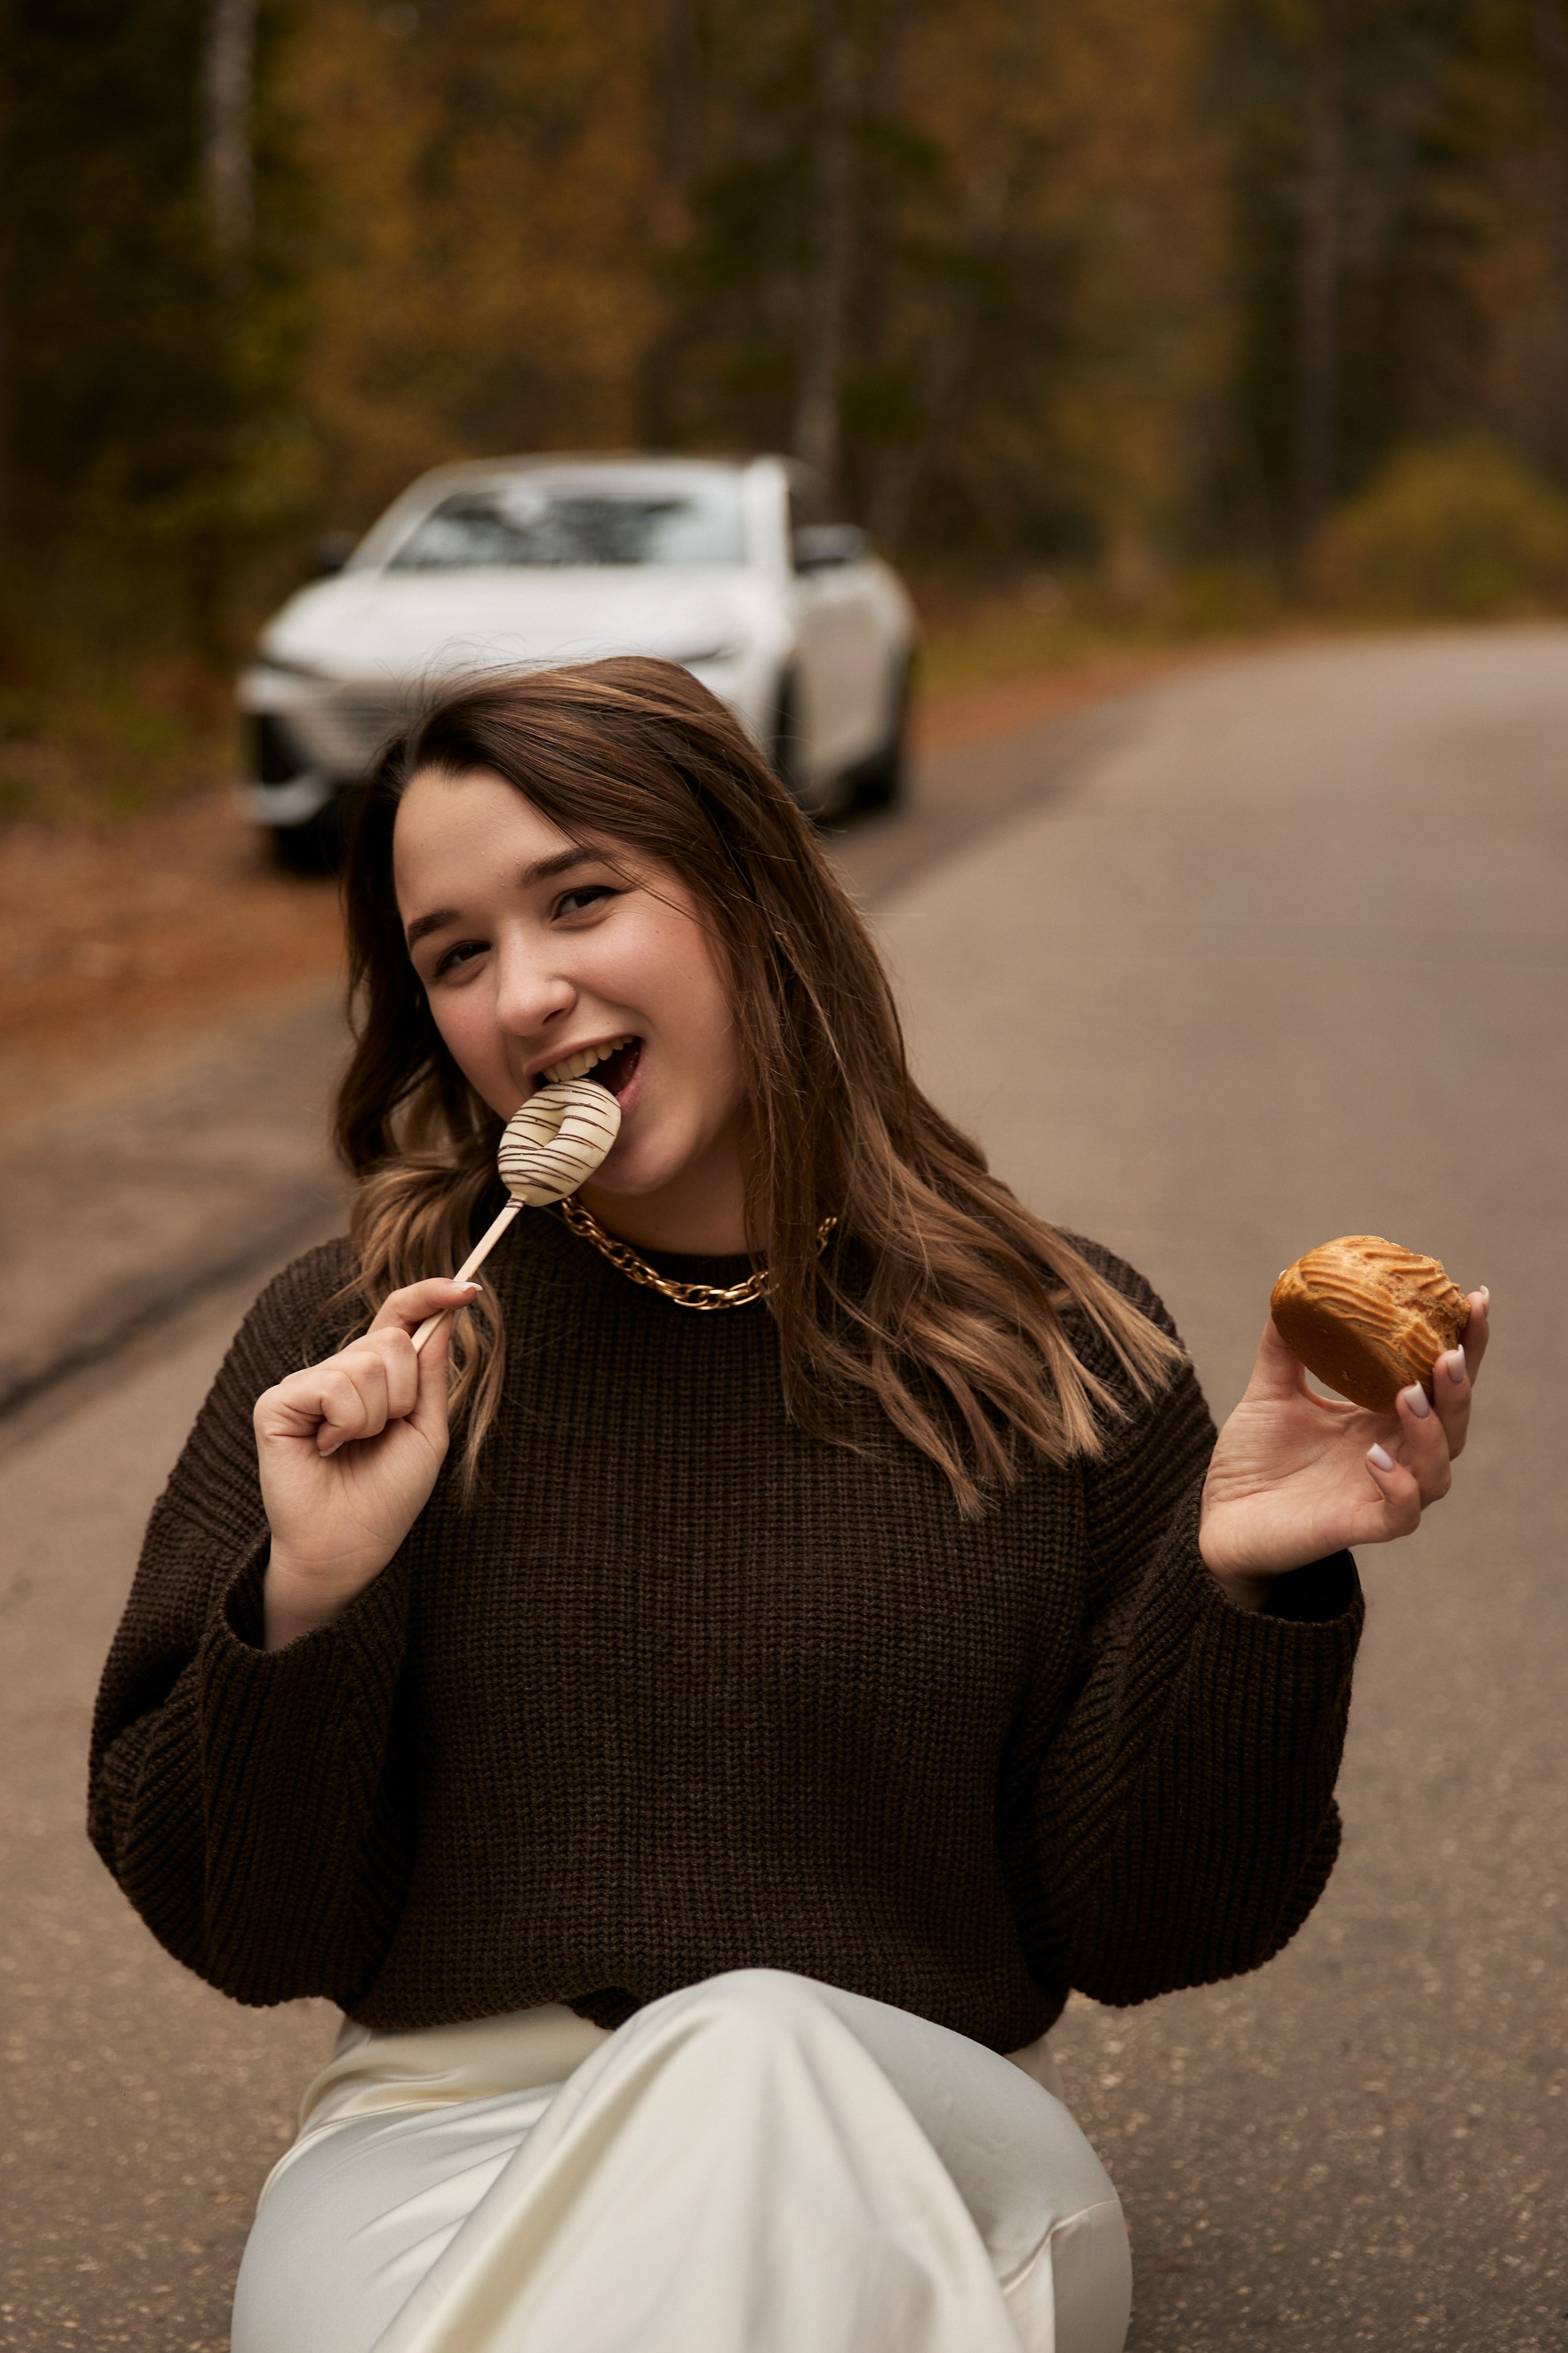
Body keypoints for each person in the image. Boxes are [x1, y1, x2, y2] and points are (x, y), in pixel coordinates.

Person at [88, 658, 1486, 2353]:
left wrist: (1250, 1585)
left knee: (748, 2048)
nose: (523, 992)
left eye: (581, 897)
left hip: (930, 2141)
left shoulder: (1060, 1345)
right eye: (455, 953)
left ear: (752, 891)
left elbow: (1153, 1926)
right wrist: (308, 1592)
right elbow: (245, 1929)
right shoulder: (352, 1341)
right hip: (438, 2161)